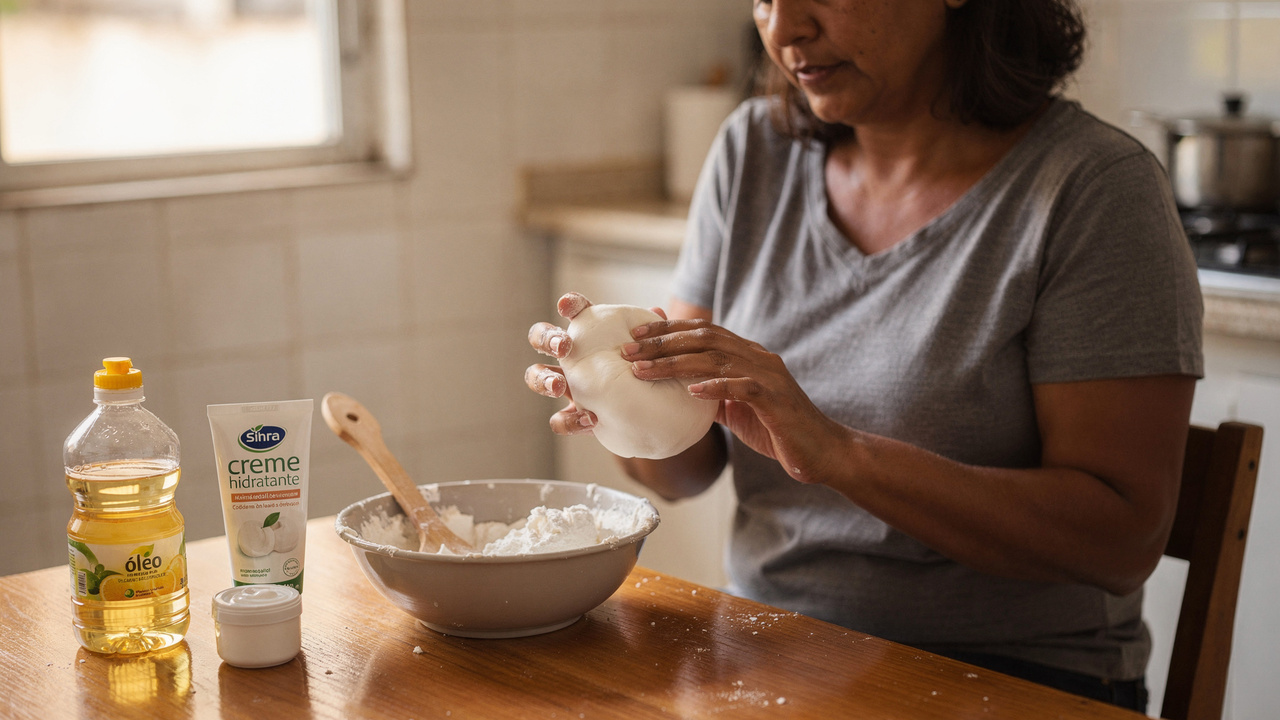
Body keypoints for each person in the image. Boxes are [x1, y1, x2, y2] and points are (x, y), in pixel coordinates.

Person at [525, 0, 1201, 711]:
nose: (784, 30)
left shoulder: (1093, 188)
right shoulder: (753, 151)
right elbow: (681, 470)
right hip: (773, 653)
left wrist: (839, 453)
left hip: (1011, 680)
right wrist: (615, 398)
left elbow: (1123, 542)